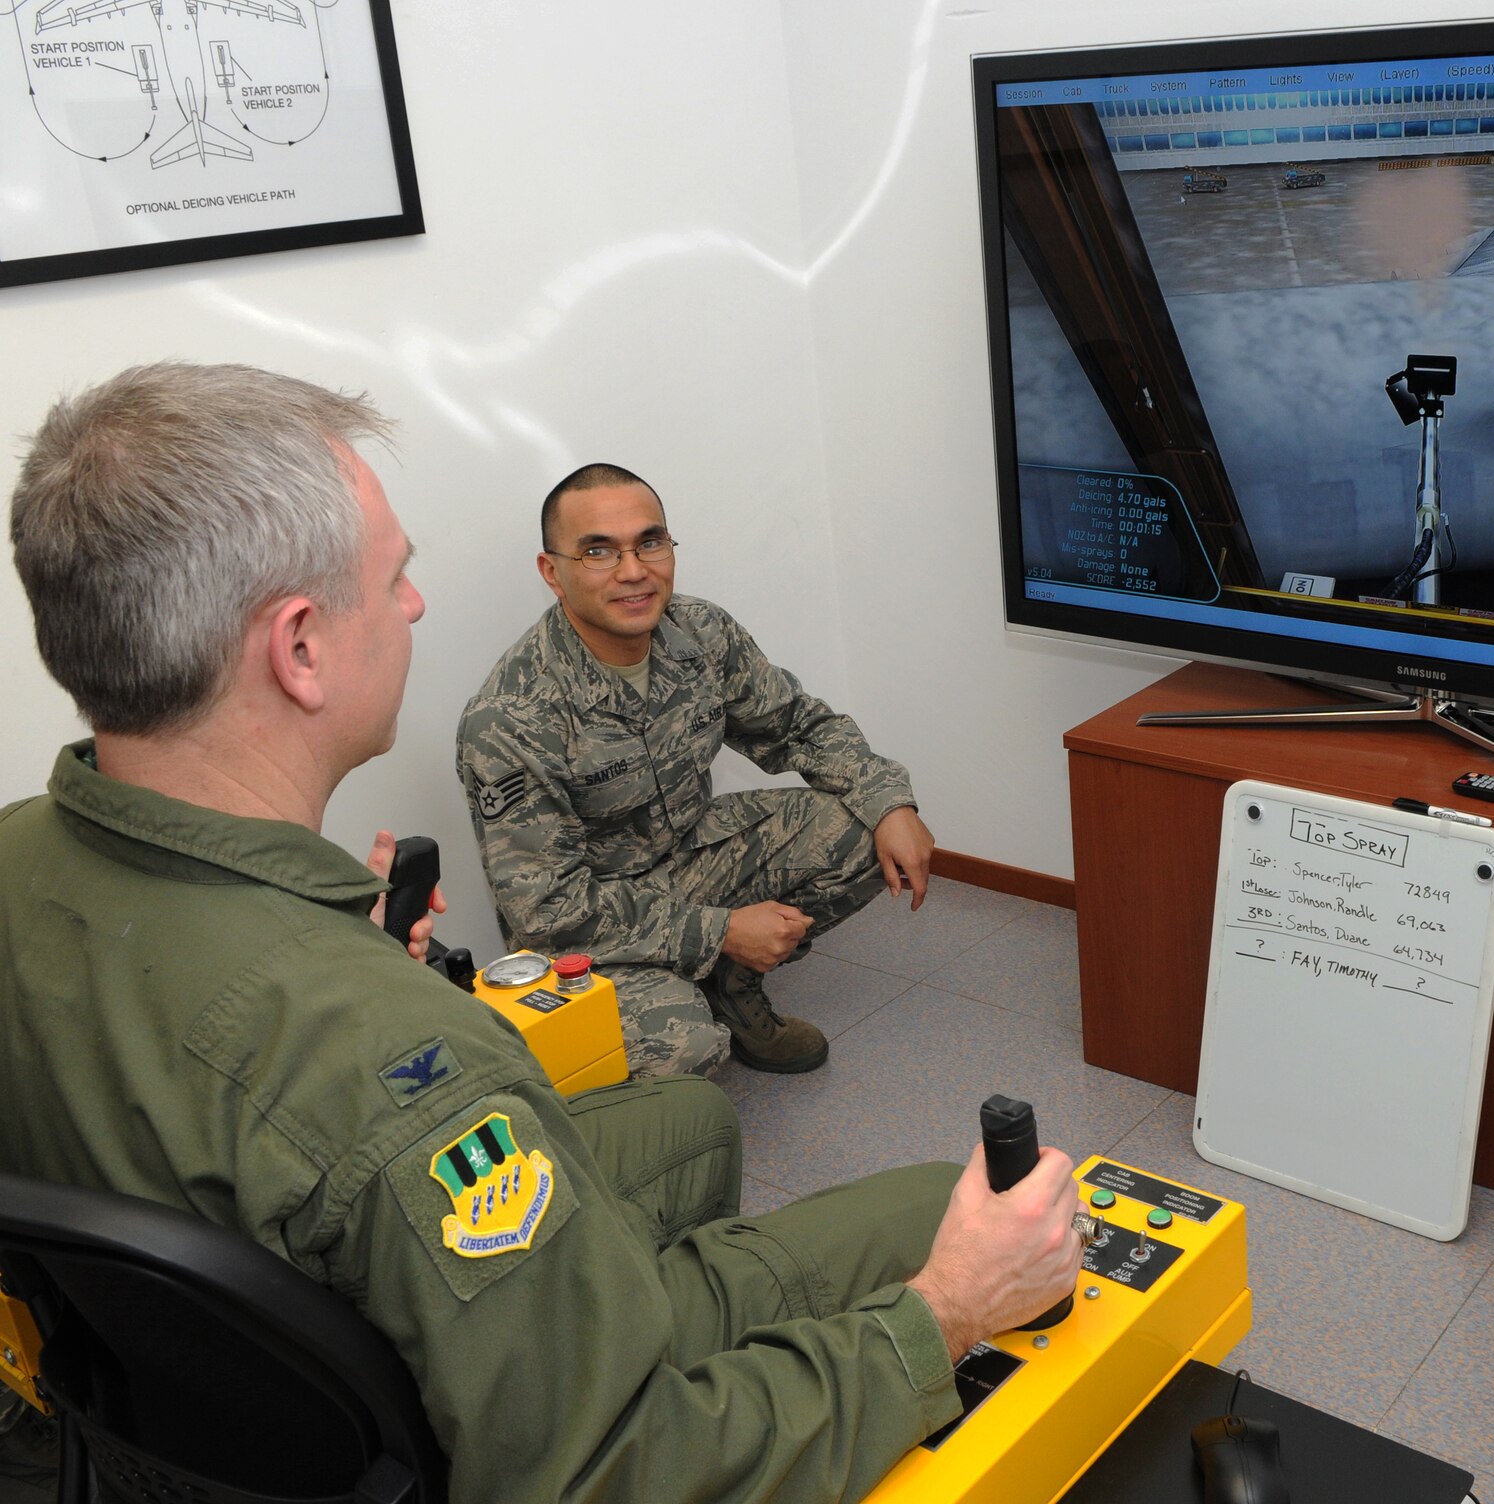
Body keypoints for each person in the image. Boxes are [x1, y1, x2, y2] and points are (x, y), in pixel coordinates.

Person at [0, 363, 1084, 1503]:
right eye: (394, 577)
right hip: (474, 1410)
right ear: (300, 647)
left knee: (694, 1122)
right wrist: (946, 1311)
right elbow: (609, 1475)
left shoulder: (23, 851)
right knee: (945, 1215)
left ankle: (619, 1269)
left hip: (202, 1405)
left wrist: (346, 949)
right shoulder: (410, 1063)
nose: (416, 604)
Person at [457, 463, 934, 1078]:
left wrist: (892, 802)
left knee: (863, 828)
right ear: (553, 572)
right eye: (598, 551)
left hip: (688, 856)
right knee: (685, 1045)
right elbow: (549, 910)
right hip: (586, 933)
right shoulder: (511, 716)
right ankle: (692, 993)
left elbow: (799, 726)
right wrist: (719, 931)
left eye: (649, 542)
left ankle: (732, 989)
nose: (634, 571)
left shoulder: (700, 632)